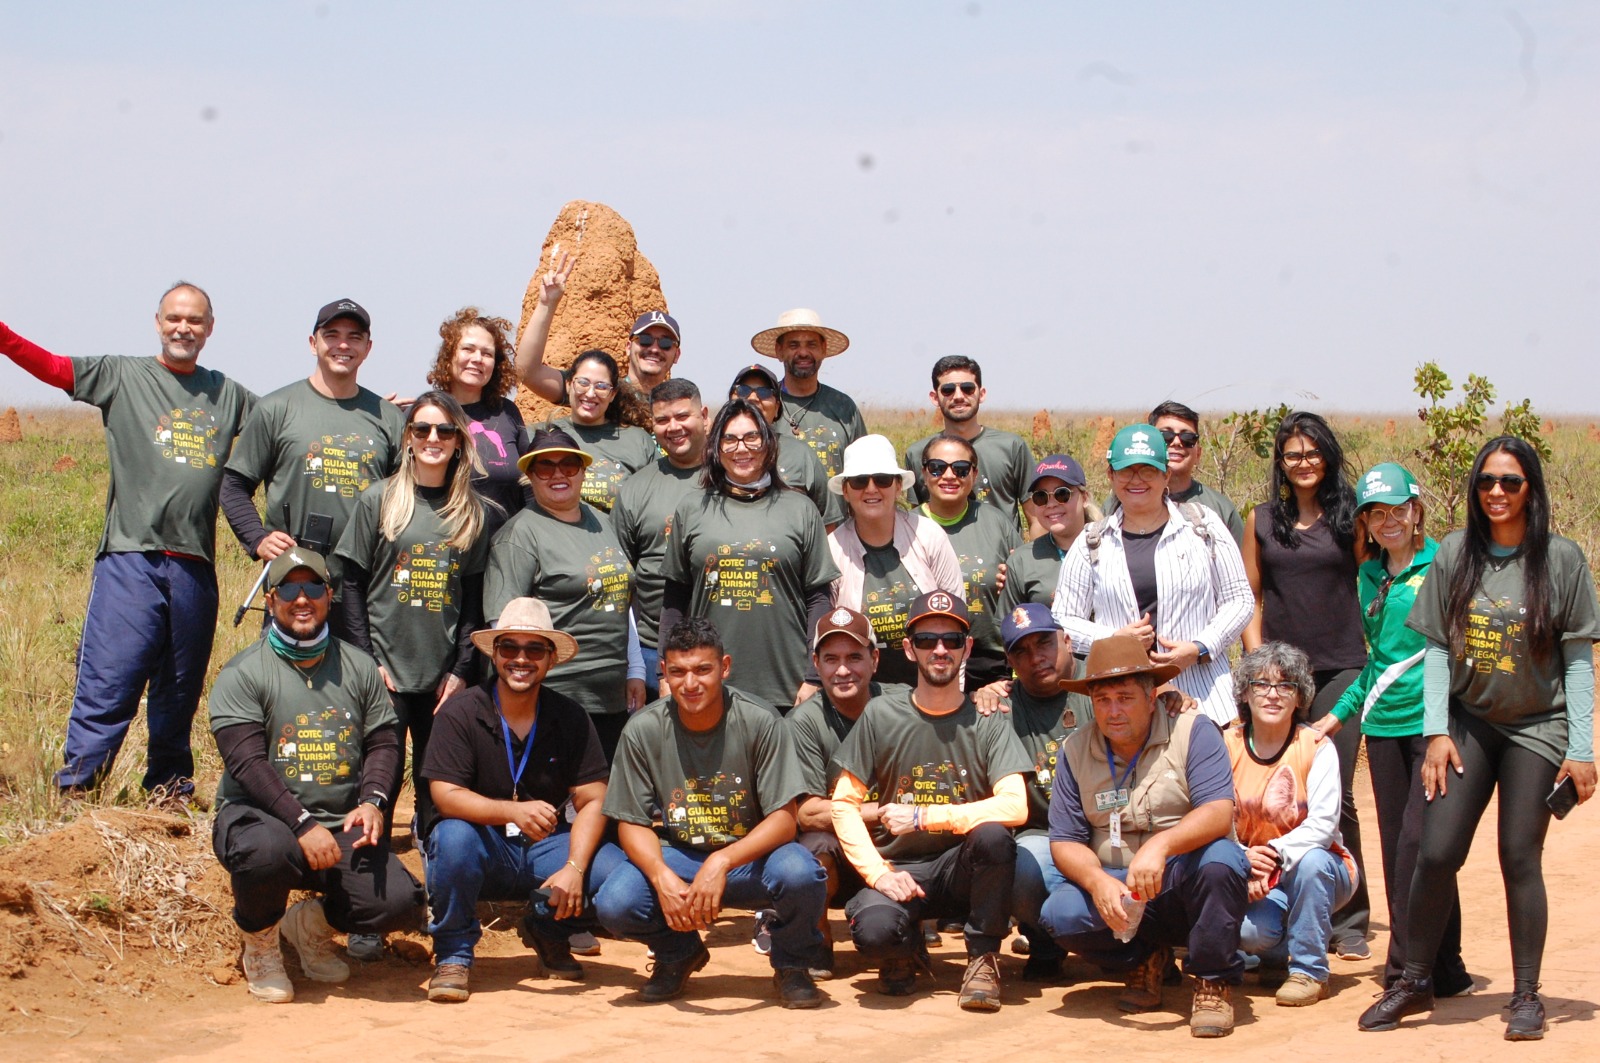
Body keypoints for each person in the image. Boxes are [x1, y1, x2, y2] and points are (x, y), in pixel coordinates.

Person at [1360, 437, 1599, 1041]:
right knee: (1436, 852)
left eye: (1511, 482)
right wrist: (1437, 731)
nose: (1496, 492)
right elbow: (1436, 647)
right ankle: (1414, 981)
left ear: (1531, 489)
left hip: (1537, 725)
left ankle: (1525, 995)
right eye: (1487, 481)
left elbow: (1577, 663)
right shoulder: (1458, 554)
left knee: (1519, 855)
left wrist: (1582, 748)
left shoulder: (1562, 560)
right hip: (1469, 721)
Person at [2, 283, 255, 796]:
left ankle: (168, 790)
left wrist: (362, 413)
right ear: (158, 322)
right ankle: (78, 789)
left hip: (194, 565)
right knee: (110, 680)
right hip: (130, 558)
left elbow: (285, 427)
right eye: (174, 318)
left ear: (210, 328)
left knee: (180, 689)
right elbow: (52, 367)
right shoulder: (121, 375)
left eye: (195, 320)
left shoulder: (227, 393)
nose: (183, 328)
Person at [208, 548, 424, 1004]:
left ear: (329, 596)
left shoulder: (359, 666)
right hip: (261, 817)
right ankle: (261, 942)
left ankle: (309, 925)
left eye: (312, 588)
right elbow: (246, 763)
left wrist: (374, 801)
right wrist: (301, 823)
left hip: (338, 820)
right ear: (270, 600)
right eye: (288, 588)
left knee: (400, 901)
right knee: (267, 853)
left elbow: (384, 742)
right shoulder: (244, 672)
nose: (300, 599)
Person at [594, 617, 829, 1008]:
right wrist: (661, 876)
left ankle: (792, 965)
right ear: (664, 673)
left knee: (802, 874)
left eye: (703, 670)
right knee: (616, 901)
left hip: (752, 856)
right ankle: (677, 953)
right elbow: (631, 820)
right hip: (682, 852)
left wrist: (722, 860)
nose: (691, 683)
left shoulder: (760, 720)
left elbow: (785, 819)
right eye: (679, 672)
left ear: (725, 667)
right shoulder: (643, 728)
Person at [831, 590, 1032, 1011]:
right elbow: (843, 804)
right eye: (926, 640)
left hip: (959, 869)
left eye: (951, 640)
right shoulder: (880, 714)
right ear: (908, 649)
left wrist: (924, 816)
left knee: (995, 836)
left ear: (967, 648)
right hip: (898, 868)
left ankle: (981, 958)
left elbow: (1015, 806)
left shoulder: (988, 718)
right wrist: (878, 874)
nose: (940, 649)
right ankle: (904, 948)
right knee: (875, 936)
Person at [1039, 635, 1248, 1038]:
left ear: (1152, 696)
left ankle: (1211, 980)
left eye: (1125, 697)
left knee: (1222, 862)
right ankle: (1142, 959)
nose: (1114, 711)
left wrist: (1161, 845)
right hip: (1119, 884)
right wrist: (1096, 880)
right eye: (1103, 700)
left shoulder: (1194, 731)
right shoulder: (1075, 749)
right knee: (1060, 915)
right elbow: (1064, 839)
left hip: (1181, 879)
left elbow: (1219, 812)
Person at [420, 597, 626, 1002]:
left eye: (534, 649)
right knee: (452, 837)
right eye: (509, 648)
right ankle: (454, 955)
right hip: (485, 846)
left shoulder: (570, 716)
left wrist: (574, 865)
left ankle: (548, 931)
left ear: (551, 659)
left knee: (616, 873)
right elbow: (445, 796)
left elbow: (594, 797)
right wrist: (512, 810)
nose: (520, 658)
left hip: (546, 849)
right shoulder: (459, 713)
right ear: (494, 654)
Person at [1316, 463, 1471, 997]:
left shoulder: (1444, 564)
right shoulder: (1368, 576)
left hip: (1432, 729)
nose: (1389, 521)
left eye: (1397, 510)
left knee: (1422, 849)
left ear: (1416, 509)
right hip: (1381, 726)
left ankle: (1406, 971)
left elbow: (1453, 652)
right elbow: (1376, 661)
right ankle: (1447, 965)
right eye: (1376, 513)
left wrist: (1445, 725)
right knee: (1400, 847)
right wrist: (1334, 719)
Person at [1242, 410, 1371, 959]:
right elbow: (1251, 596)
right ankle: (1270, 897)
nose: (1303, 463)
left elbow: (1372, 589)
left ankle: (1351, 921)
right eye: (1293, 454)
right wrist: (1259, 664)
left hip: (1342, 666)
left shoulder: (1352, 520)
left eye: (1313, 452)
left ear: (1329, 456)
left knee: (1334, 791)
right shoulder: (1262, 519)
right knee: (1270, 786)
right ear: (1280, 462)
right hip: (1279, 675)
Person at [334, 391, 488, 842]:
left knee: (436, 784)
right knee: (373, 776)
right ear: (408, 438)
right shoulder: (379, 500)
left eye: (444, 430)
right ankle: (365, 875)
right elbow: (351, 584)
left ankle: (435, 878)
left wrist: (461, 670)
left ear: (459, 441)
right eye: (422, 429)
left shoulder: (471, 512)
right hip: (385, 670)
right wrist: (366, 658)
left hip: (441, 675)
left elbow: (473, 602)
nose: (432, 438)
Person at [1053, 424, 1252, 724]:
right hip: (1123, 707)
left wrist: (1197, 649)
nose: (1137, 480)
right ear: (1110, 475)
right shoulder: (1092, 541)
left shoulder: (1203, 527)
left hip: (1204, 700)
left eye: (1147, 470)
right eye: (1126, 471)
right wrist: (1114, 638)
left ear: (1166, 475)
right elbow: (1063, 620)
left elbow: (1240, 600)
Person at [660, 399, 839, 710]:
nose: (741, 448)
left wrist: (813, 676)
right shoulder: (693, 508)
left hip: (788, 686)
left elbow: (819, 598)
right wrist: (665, 670)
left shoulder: (800, 509)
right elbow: (675, 596)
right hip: (707, 687)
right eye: (729, 439)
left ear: (768, 443)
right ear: (716, 447)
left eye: (752, 437)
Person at [221, 298, 405, 588]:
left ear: (368, 348)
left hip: (366, 585)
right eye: (331, 335)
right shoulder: (275, 409)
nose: (343, 346)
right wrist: (258, 539)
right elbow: (233, 485)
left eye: (354, 338)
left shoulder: (390, 419)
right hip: (294, 579)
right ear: (312, 343)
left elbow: (407, 500)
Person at [484, 427, 644, 759]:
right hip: (554, 696)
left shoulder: (602, 522)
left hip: (611, 696)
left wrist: (635, 670)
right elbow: (504, 625)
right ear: (530, 475)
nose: (558, 474)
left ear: (583, 471)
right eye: (545, 467)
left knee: (601, 803)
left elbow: (620, 599)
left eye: (569, 465)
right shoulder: (519, 536)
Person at [1226, 642, 1359, 1007]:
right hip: (1252, 868)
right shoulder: (1226, 744)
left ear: (1300, 697)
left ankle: (1310, 972)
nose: (1272, 695)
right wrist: (1242, 860)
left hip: (1322, 870)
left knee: (1314, 861)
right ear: (1245, 692)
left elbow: (1324, 825)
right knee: (1251, 933)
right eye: (1261, 684)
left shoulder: (1316, 745)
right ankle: (1273, 954)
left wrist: (1270, 855)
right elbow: (1213, 817)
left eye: (1286, 686)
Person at [786, 606, 900, 975]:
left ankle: (910, 933)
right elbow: (805, 812)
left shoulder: (904, 704)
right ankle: (817, 941)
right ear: (816, 664)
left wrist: (989, 695)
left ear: (875, 659)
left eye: (855, 657)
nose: (843, 669)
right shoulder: (803, 721)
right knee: (811, 846)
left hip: (898, 845)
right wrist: (877, 811)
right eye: (831, 659)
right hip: (842, 850)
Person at [826, 434, 963, 689]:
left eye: (882, 479)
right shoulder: (832, 550)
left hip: (929, 691)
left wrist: (952, 696)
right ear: (845, 490)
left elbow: (957, 622)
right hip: (862, 697)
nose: (870, 489)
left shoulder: (929, 535)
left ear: (898, 486)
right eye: (858, 481)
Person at [611, 378, 710, 700]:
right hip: (654, 647)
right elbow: (619, 581)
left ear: (704, 416)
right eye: (662, 420)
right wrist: (634, 666)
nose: (674, 427)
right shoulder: (637, 488)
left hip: (726, 646)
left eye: (683, 416)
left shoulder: (731, 478)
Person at [513, 248, 670, 431]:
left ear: (677, 354)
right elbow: (527, 371)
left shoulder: (676, 403)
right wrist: (546, 304)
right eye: (644, 340)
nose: (654, 348)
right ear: (628, 346)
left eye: (666, 343)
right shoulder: (603, 390)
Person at [917, 433, 1021, 685]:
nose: (949, 476)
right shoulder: (907, 527)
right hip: (927, 659)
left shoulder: (996, 523)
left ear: (974, 475)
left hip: (991, 664)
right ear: (924, 473)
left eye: (961, 469)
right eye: (937, 468)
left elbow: (1023, 590)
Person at [425, 306, 530, 541]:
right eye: (468, 349)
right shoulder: (428, 414)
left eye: (487, 353)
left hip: (501, 553)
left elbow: (528, 485)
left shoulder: (508, 414)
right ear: (449, 355)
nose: (477, 359)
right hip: (441, 551)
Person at [903, 356, 1033, 521]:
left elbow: (1036, 518)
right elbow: (918, 520)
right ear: (935, 397)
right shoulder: (918, 453)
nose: (958, 396)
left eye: (967, 388)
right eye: (948, 390)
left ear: (982, 394)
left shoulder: (1011, 447)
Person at [1104, 402, 1244, 545]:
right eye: (1166, 436)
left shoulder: (1220, 509)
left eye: (1188, 438)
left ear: (1199, 453)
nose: (1177, 442)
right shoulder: (1116, 505)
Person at [750, 308, 866, 478]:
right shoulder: (764, 405)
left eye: (811, 344)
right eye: (793, 345)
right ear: (779, 351)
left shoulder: (843, 407)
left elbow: (862, 470)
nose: (803, 353)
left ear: (823, 350)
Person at [729, 363, 843, 527]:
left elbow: (827, 523)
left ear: (777, 409)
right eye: (743, 390)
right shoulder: (715, 452)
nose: (753, 398)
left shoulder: (800, 455)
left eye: (764, 392)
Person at [545, 349, 659, 512]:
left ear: (613, 394)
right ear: (569, 385)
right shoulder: (545, 434)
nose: (590, 394)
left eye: (601, 387)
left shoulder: (638, 441)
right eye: (583, 383)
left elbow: (656, 501)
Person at [997, 454, 1099, 615]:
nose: (1051, 504)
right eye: (1041, 497)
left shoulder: (1113, 548)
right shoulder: (1023, 561)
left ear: (1084, 498)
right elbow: (1007, 629)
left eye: (1062, 494)